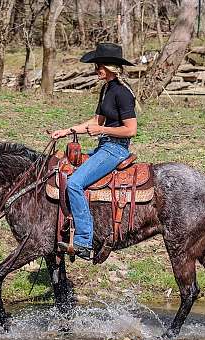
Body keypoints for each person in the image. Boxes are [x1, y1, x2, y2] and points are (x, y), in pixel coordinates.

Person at [50, 43, 137, 260]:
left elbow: (131, 129)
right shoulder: (106, 89)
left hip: (116, 149)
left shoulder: (122, 93)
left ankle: (83, 240)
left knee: (75, 183)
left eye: (98, 64)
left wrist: (102, 130)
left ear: (109, 66)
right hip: (104, 145)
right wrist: (66, 131)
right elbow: (95, 121)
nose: (95, 68)